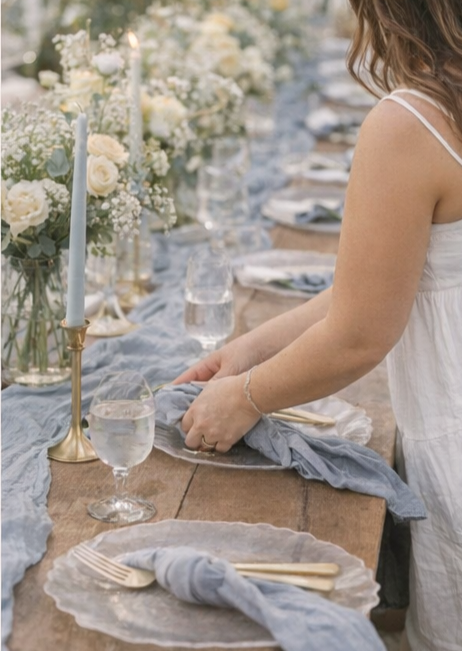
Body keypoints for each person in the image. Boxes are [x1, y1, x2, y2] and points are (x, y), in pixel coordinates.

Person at [173, 2, 462, 649]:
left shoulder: (412, 121)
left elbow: (360, 333)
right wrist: (250, 347)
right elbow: (385, 281)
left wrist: (244, 398)